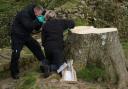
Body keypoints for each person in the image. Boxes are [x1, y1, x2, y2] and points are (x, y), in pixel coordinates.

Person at [10, 4, 48, 79]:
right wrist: (38, 20)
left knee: (36, 47)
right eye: (38, 15)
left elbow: (36, 28)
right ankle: (14, 73)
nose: (39, 16)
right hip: (17, 35)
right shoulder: (24, 14)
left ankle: (45, 66)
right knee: (16, 53)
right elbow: (29, 26)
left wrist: (40, 21)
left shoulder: (35, 13)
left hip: (26, 35)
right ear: (35, 11)